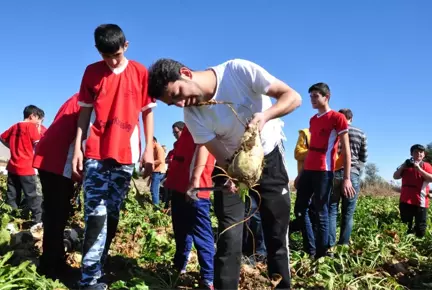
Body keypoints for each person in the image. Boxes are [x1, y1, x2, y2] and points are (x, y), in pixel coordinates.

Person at [148, 58, 302, 290]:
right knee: (229, 236)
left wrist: (265, 115)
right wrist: (231, 174)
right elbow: (221, 156)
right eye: (173, 103)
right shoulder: (193, 115)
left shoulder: (237, 71)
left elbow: (293, 97)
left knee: (276, 232)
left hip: (269, 157)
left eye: (177, 93)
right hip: (230, 165)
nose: (180, 104)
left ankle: (281, 285)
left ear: (185, 73)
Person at [71, 24, 156, 290]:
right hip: (96, 150)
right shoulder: (92, 72)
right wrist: (77, 148)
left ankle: (99, 260)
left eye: (117, 55)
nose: (112, 61)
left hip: (126, 154)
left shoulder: (140, 72)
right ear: (98, 51)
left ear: (126, 46)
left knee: (113, 212)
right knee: (95, 214)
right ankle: (89, 279)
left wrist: (148, 149)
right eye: (107, 56)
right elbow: (84, 113)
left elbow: (147, 111)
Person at [295, 83, 355, 259]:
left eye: (316, 96)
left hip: (325, 170)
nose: (312, 100)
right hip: (309, 169)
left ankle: (322, 254)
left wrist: (346, 178)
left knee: (321, 211)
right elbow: (309, 149)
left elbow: (346, 149)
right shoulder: (313, 120)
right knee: (300, 208)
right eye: (311, 96)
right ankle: (311, 248)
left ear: (326, 96)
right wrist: (301, 174)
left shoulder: (337, 118)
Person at [33, 93, 81, 279]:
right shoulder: (89, 99)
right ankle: (51, 266)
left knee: (56, 215)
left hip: (51, 158)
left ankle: (52, 261)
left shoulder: (76, 98)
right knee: (56, 216)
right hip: (59, 160)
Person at [164, 124, 216, 290]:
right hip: (180, 186)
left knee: (201, 233)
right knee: (181, 230)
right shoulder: (190, 121)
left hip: (196, 187)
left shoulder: (202, 118)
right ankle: (180, 267)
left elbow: (204, 146)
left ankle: (208, 278)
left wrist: (194, 180)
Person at [329, 109, 368, 247]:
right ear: (351, 118)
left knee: (332, 209)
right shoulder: (360, 132)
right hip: (352, 174)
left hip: (334, 172)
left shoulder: (333, 131)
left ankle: (330, 245)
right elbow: (364, 157)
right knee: (348, 212)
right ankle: (344, 244)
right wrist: (356, 170)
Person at [0, 105, 44, 225]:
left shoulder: (14, 126)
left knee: (12, 195)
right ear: (32, 116)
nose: (38, 121)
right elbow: (39, 144)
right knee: (32, 196)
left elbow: (2, 137)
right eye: (37, 118)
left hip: (13, 166)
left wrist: (12, 147)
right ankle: (37, 222)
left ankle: (10, 221)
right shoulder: (31, 126)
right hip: (27, 167)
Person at [393, 144, 432, 237]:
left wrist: (419, 169)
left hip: (421, 201)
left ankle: (418, 246)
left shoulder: (426, 165)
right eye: (416, 152)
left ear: (424, 154)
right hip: (405, 201)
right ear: (411, 154)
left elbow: (431, 178)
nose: (419, 153)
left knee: (421, 227)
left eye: (421, 152)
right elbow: (395, 176)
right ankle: (407, 246)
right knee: (406, 226)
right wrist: (403, 166)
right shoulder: (405, 165)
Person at [290, 128, 314, 234]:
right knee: (302, 211)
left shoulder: (332, 133)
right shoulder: (306, 133)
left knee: (307, 211)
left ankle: (311, 245)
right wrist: (314, 152)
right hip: (306, 176)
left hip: (320, 177)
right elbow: (298, 153)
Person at [161, 122, 185, 208]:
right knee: (170, 195)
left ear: (184, 130)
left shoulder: (191, 143)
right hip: (174, 175)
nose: (174, 135)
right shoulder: (176, 144)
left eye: (176, 132)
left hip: (184, 177)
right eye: (173, 133)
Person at [150, 136, 166, 205]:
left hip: (158, 172)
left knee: (154, 190)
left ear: (153, 141)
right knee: (153, 189)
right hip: (156, 172)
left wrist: (149, 163)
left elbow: (160, 160)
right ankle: (156, 203)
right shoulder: (154, 149)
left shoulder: (158, 148)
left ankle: (155, 207)